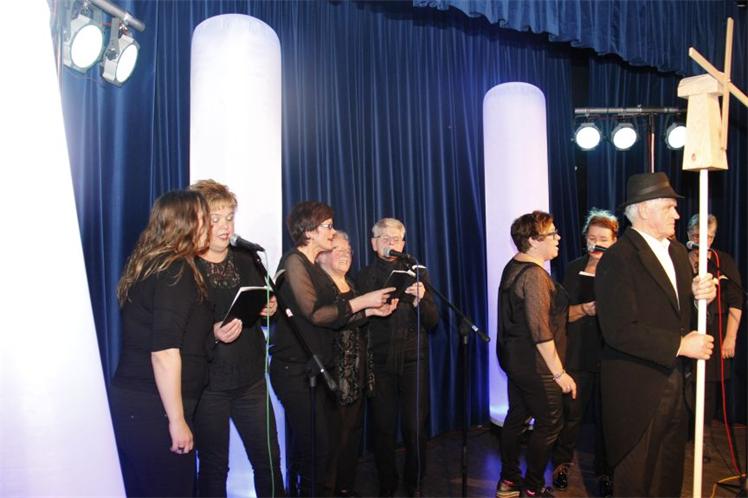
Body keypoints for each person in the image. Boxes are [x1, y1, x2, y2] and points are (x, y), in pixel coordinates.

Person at [595, 172, 716, 497]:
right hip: (637, 393)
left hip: (677, 385)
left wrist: (698, 299)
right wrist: (680, 344)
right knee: (636, 482)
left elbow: (677, 314)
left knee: (668, 477)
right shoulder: (618, 259)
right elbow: (619, 330)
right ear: (644, 210)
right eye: (668, 207)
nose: (677, 214)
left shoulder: (676, 253)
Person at [269, 201, 395, 497]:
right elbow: (317, 314)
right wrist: (363, 301)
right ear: (309, 231)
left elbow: (336, 317)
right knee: (317, 451)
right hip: (294, 371)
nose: (332, 231)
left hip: (316, 370)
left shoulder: (312, 266)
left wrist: (371, 311)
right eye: (327, 226)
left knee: (324, 451)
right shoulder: (294, 262)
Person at [110, 190, 213, 497]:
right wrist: (176, 420)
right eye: (205, 218)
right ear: (186, 223)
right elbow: (164, 353)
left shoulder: (153, 265)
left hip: (139, 404)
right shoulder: (175, 269)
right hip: (154, 409)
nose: (209, 225)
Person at [189, 180, 285, 497]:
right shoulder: (186, 267)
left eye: (229, 217)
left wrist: (268, 309)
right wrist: (212, 333)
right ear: (196, 221)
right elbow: (176, 332)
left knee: (269, 461)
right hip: (209, 385)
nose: (225, 226)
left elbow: (260, 310)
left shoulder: (246, 258)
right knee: (215, 468)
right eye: (215, 219)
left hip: (251, 380)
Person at [356, 218, 440, 498]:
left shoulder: (418, 273)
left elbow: (433, 321)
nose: (391, 243)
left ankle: (414, 481)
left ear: (403, 244)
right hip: (379, 361)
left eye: (396, 239)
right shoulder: (362, 276)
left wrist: (419, 301)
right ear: (373, 243)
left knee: (415, 426)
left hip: (414, 358)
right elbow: (357, 321)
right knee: (383, 428)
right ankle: (387, 484)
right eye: (385, 238)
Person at [495, 211, 576, 498]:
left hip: (516, 361)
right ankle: (532, 488)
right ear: (533, 240)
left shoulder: (514, 265)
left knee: (517, 417)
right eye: (552, 233)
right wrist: (559, 373)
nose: (558, 238)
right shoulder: (535, 276)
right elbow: (541, 332)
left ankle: (508, 481)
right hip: (536, 365)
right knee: (550, 425)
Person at [317, 231, 392, 497]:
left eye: (348, 251)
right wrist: (367, 308)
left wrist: (374, 311)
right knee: (333, 440)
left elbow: (357, 319)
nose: (344, 254)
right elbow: (332, 320)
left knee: (352, 435)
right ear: (321, 255)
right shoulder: (321, 287)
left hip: (357, 374)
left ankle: (345, 487)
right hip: (333, 377)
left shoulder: (351, 283)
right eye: (337, 249)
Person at [552, 209, 617, 497]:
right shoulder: (573, 268)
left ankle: (606, 472)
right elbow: (559, 314)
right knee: (571, 415)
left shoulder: (621, 270)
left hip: (611, 355)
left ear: (614, 241)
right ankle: (561, 465)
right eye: (591, 238)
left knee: (607, 419)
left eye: (603, 239)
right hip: (577, 353)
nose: (596, 244)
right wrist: (584, 309)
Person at [686, 213, 743, 462]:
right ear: (689, 235)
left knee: (707, 389)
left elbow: (736, 302)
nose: (703, 241)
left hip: (715, 331)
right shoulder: (679, 258)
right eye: (698, 236)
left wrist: (730, 338)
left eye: (708, 237)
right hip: (684, 330)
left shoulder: (723, 261)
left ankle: (703, 438)